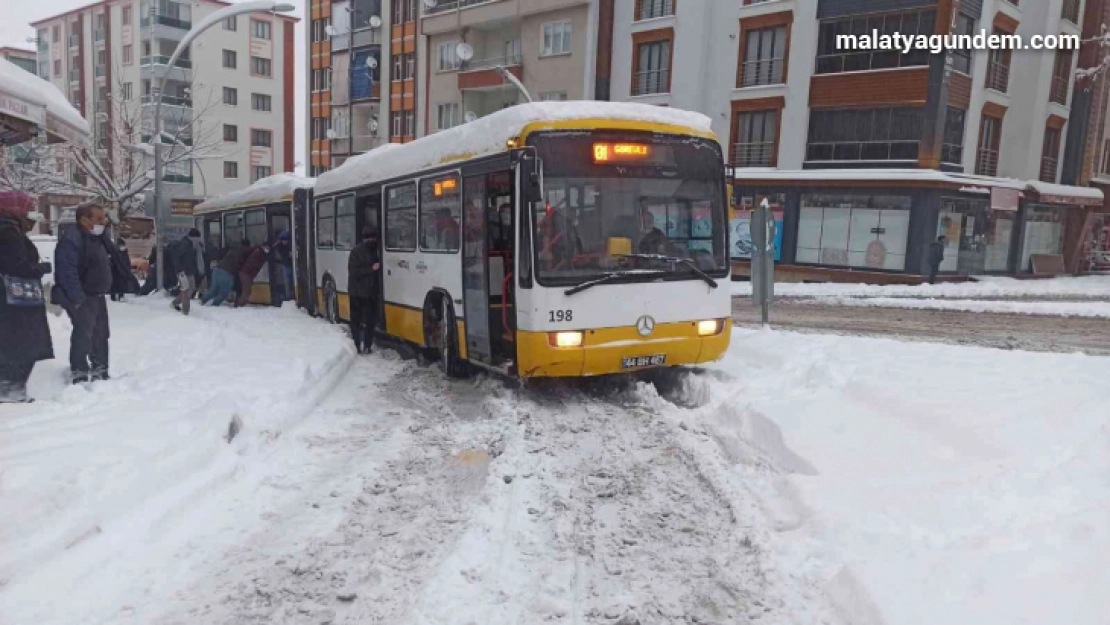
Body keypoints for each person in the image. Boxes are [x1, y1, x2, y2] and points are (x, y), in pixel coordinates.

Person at [0, 192, 53, 403]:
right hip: (14, 300)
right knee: (22, 343)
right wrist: (42, 267)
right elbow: (17, 266)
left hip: (8, 300)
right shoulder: (8, 232)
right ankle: (11, 391)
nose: (30, 216)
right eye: (27, 209)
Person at [54, 202, 113, 384]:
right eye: (99, 219)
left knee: (101, 334)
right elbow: (67, 271)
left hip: (96, 295)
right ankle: (79, 372)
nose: (103, 222)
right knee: (84, 335)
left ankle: (100, 369)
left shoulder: (96, 239)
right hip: (82, 296)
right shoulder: (72, 239)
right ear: (84, 219)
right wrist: (77, 298)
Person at [347, 228, 381, 354]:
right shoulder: (356, 252)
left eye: (374, 238)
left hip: (371, 293)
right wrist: (371, 269)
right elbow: (354, 271)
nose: (372, 241)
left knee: (370, 321)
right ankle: (357, 344)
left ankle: (367, 345)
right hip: (357, 293)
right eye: (370, 238)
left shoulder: (376, 250)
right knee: (357, 320)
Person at [203, 238, 249, 307]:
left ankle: (202, 301)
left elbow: (219, 254)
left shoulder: (232, 247)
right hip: (227, 272)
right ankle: (214, 305)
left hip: (217, 269)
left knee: (213, 290)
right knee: (224, 293)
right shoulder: (244, 251)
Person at [168, 229, 203, 315]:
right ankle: (185, 312)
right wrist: (180, 270)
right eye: (198, 237)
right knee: (186, 291)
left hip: (189, 271)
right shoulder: (184, 245)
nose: (199, 239)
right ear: (193, 237)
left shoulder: (191, 245)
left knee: (191, 289)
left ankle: (175, 303)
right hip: (183, 272)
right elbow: (177, 258)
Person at [235, 242, 270, 307]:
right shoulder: (258, 253)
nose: (267, 249)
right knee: (246, 292)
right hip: (246, 274)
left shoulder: (258, 251)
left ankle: (239, 304)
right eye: (267, 248)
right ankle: (239, 305)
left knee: (246, 291)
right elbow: (254, 264)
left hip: (246, 273)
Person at [109, 237, 136, 302]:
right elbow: (111, 262)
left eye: (123, 245)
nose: (123, 247)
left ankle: (121, 296)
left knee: (122, 285)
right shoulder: (114, 253)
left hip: (123, 273)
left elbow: (127, 262)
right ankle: (113, 297)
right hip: (115, 272)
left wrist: (128, 270)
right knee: (114, 285)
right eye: (121, 245)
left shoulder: (125, 253)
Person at [272, 230, 294, 302]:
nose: (284, 242)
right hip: (286, 265)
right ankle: (288, 296)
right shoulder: (279, 246)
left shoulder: (291, 246)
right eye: (283, 240)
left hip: (291, 265)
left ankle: (291, 295)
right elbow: (273, 248)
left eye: (286, 240)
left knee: (290, 281)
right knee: (287, 281)